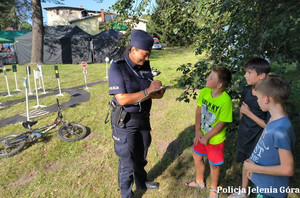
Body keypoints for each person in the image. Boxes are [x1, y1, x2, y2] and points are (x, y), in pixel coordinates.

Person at [108, 29, 165, 198]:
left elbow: (148, 91)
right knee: (126, 162)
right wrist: (148, 91)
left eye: (149, 55)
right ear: (133, 50)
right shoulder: (117, 68)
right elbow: (122, 99)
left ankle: (141, 181)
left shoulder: (144, 65)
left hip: (143, 119)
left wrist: (158, 90)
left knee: (141, 154)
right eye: (145, 55)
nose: (147, 59)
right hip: (126, 121)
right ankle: (126, 194)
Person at [243, 75, 295, 198]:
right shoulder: (273, 119)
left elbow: (288, 169)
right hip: (262, 183)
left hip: (271, 191)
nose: (257, 101)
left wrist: (256, 168)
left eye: (258, 98)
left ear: (266, 99)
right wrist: (254, 170)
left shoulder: (280, 131)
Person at [185, 66, 232, 198]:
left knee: (214, 165)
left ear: (219, 84)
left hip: (215, 140)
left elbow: (222, 123)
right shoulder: (205, 91)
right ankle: (200, 182)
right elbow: (199, 110)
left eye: (211, 78)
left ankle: (213, 190)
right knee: (197, 156)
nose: (207, 78)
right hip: (201, 135)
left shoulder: (225, 101)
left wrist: (208, 137)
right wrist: (197, 130)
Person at [229, 58, 270, 198]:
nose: (245, 76)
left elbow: (268, 126)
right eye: (245, 72)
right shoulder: (246, 90)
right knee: (245, 163)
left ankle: (261, 192)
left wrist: (249, 114)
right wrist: (241, 126)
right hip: (245, 134)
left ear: (261, 76)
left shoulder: (268, 97)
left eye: (249, 72)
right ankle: (244, 192)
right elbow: (242, 110)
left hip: (259, 138)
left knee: (257, 166)